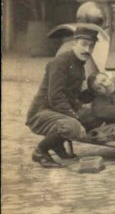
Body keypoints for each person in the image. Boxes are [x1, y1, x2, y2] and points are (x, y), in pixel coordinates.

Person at [26, 25, 98, 168]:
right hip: (41, 113)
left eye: (91, 46)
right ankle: (40, 151)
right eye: (84, 44)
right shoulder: (60, 62)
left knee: (92, 118)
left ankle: (57, 146)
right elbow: (55, 97)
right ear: (74, 43)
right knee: (73, 125)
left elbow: (74, 97)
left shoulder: (79, 65)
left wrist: (95, 89)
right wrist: (76, 119)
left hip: (56, 112)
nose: (87, 50)